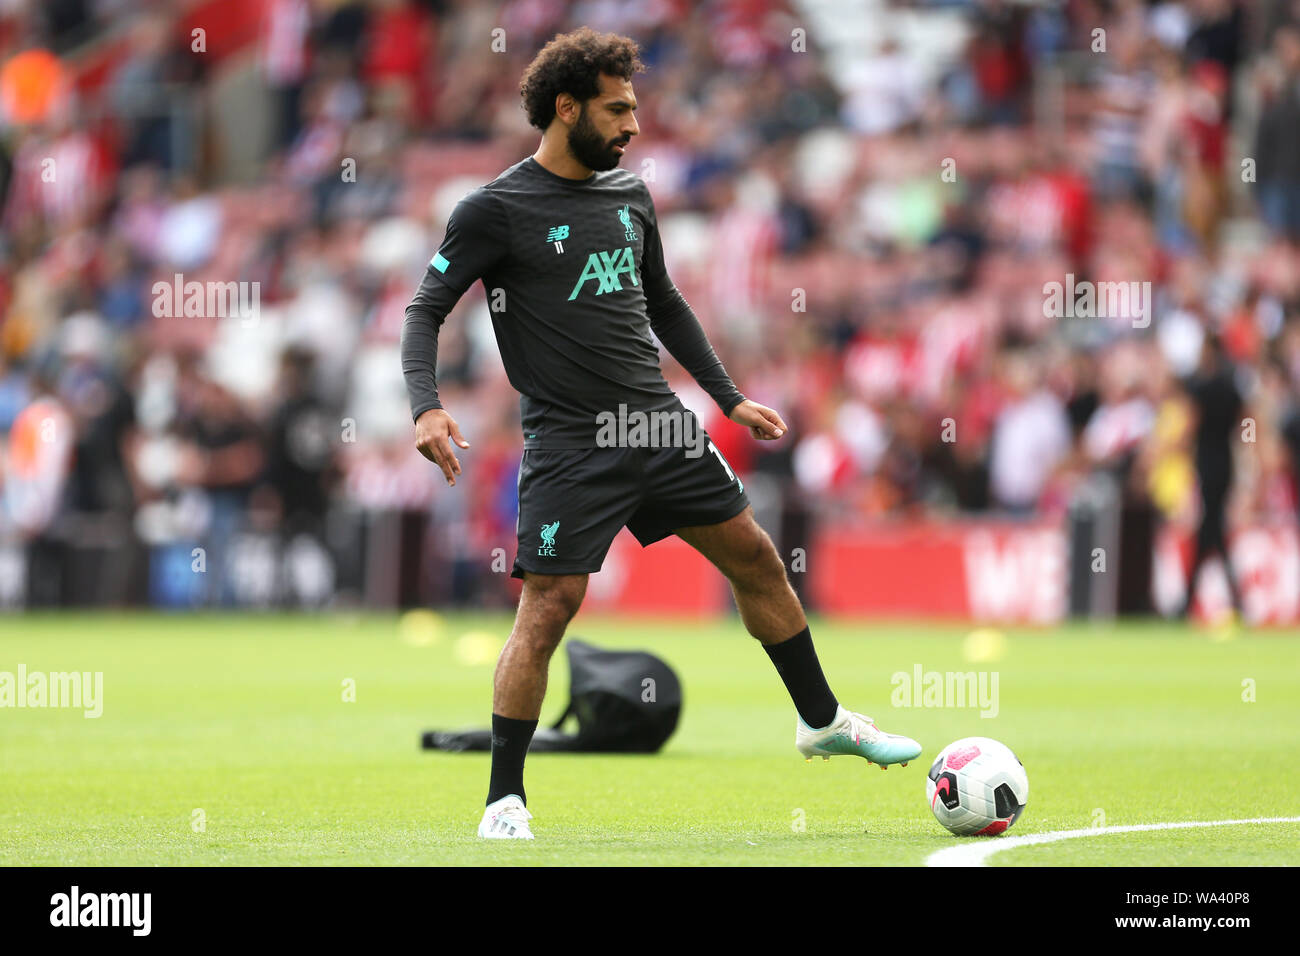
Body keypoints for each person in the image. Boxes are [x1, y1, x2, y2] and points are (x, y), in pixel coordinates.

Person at [400, 29, 921, 841]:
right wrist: (425, 405)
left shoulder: (630, 197)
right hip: (572, 442)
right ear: (566, 108)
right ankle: (505, 798)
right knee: (550, 607)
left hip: (658, 424)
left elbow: (665, 301)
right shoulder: (495, 210)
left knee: (753, 555)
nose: (634, 126)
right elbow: (425, 309)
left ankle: (821, 719)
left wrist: (728, 396)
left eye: (634, 110)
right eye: (618, 110)